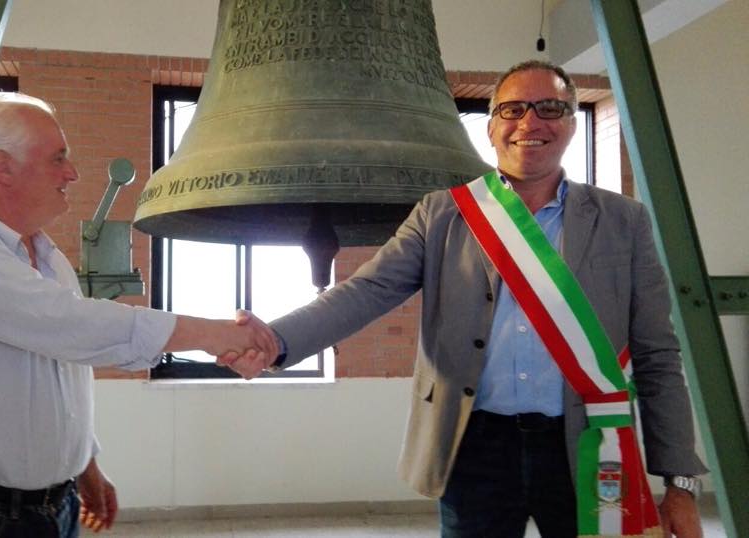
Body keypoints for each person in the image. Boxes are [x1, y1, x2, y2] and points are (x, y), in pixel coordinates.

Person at [222, 60, 706, 537]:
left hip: (588, 446)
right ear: (492, 128)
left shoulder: (624, 221)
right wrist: (275, 339)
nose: (530, 123)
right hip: (472, 445)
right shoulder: (441, 215)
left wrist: (680, 482)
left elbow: (657, 355)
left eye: (549, 108)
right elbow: (367, 291)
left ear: (571, 125)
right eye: (513, 109)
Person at [0, 93, 277, 536]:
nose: (72, 173)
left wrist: (84, 467)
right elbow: (68, 325)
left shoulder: (48, 259)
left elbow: (61, 368)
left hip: (55, 508)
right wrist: (216, 335)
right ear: (3, 167)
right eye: (58, 158)